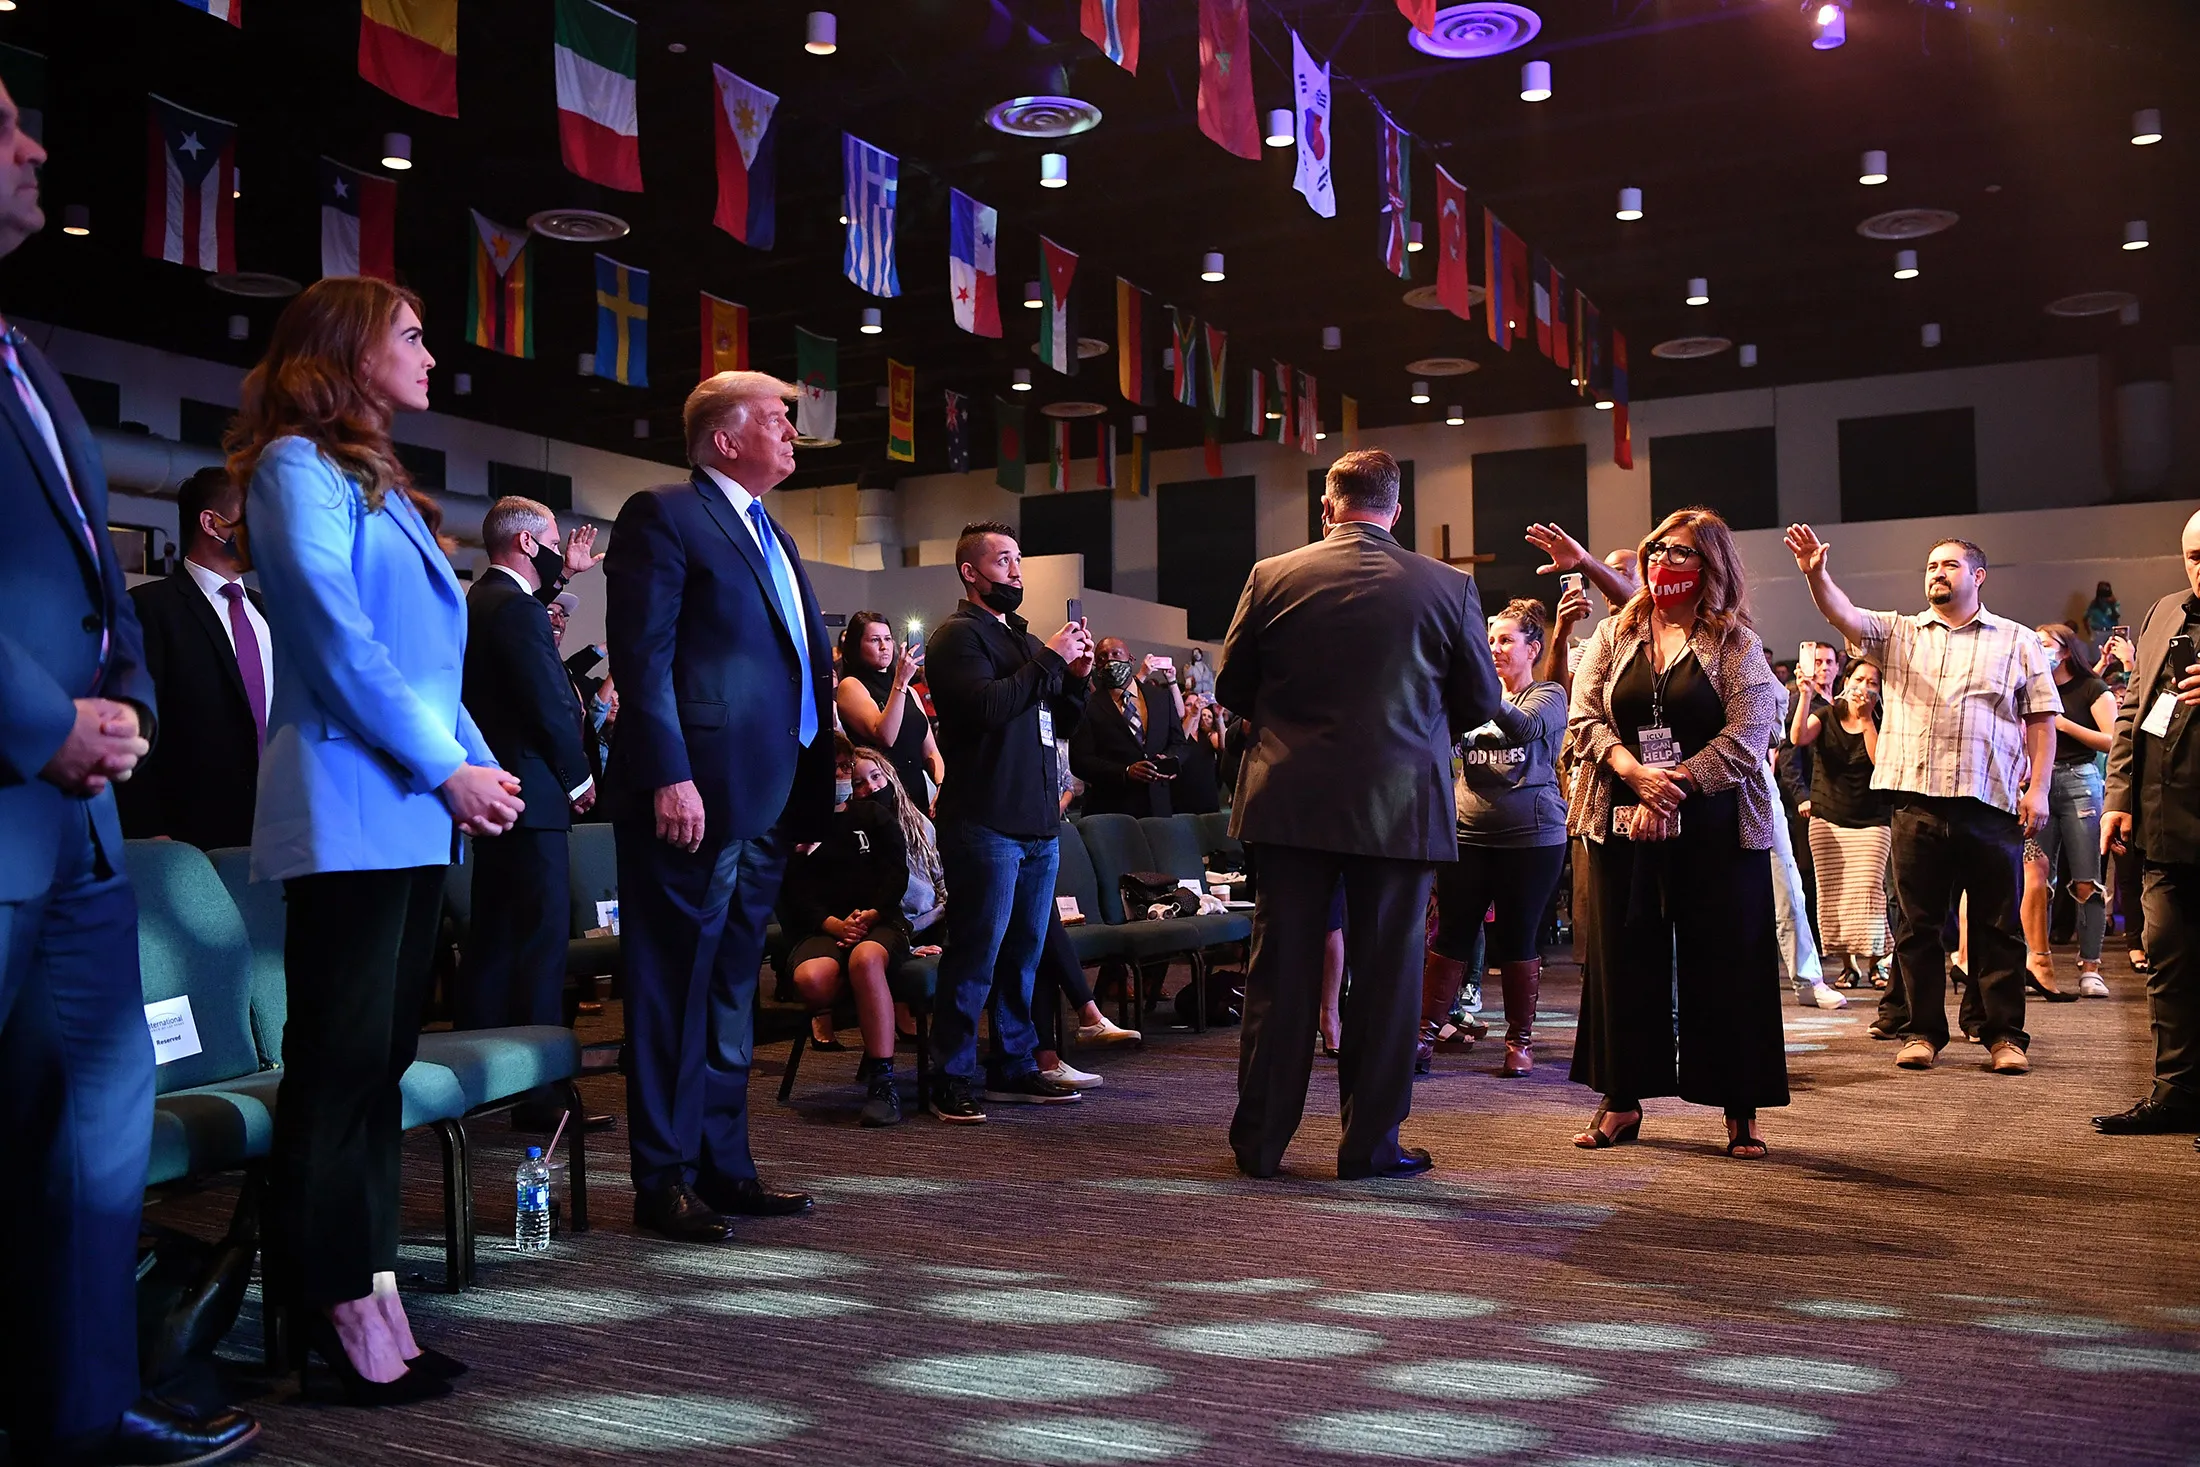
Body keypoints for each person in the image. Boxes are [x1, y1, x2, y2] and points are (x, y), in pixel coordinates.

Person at [0, 75, 259, 1463]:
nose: (40, 143)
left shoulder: (30, 357)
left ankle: (83, 1406)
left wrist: (127, 698)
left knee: (91, 1150)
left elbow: (110, 582)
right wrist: (42, 721)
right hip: (8, 800)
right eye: (5, 124)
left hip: (83, 841)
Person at [238, 276, 520, 1403]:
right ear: (348, 350)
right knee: (335, 1075)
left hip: (406, 810)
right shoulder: (292, 468)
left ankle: (373, 1290)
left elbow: (425, 661)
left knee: (378, 1073)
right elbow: (335, 632)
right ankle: (329, 1309)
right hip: (351, 806)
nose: (430, 354)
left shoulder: (381, 484)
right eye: (410, 334)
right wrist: (443, 762)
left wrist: (473, 756)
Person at [1219, 449, 1501, 1180]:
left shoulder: (1271, 575)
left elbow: (1231, 685)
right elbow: (1480, 704)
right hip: (1399, 806)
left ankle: (1260, 1144)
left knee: (1280, 975)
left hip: (1290, 803)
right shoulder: (1449, 586)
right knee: (1387, 977)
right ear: (1396, 511)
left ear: (1327, 504)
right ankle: (1370, 1146)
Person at [603, 370, 833, 1241]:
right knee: (672, 988)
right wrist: (668, 771)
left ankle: (723, 1165)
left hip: (768, 796)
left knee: (733, 989)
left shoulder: (771, 530)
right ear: (725, 438)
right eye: (777, 417)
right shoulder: (665, 513)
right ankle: (662, 1177)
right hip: (691, 793)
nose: (790, 430)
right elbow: (643, 654)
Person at [1785, 526, 2057, 1076]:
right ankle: (1923, 1032)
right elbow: (1845, 616)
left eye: (1950, 565)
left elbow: (2042, 720)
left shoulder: (2017, 639)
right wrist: (1816, 575)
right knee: (1918, 926)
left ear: (1977, 577)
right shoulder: (1901, 633)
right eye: (1932, 566)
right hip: (1916, 803)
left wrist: (2041, 787)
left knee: (1997, 927)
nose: (1937, 572)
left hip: (1991, 801)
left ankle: (2003, 1035)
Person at [1567, 508, 1787, 1159]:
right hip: (1623, 814)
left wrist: (1679, 783)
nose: (1666, 560)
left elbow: (1750, 732)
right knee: (1620, 957)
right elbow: (1583, 717)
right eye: (1659, 548)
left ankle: (1739, 1107)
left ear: (1711, 565)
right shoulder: (1616, 631)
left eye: (1683, 551)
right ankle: (1622, 1100)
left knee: (1728, 959)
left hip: (1717, 824)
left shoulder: (1737, 644)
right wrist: (1636, 773)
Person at [923, 522, 1094, 1121]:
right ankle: (950, 1076)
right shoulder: (956, 639)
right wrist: (1050, 657)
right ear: (971, 572)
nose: (1016, 571)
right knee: (976, 954)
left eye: (1019, 560)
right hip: (985, 820)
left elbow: (1061, 724)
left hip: (1037, 819)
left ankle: (1014, 1067)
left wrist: (1076, 679)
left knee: (1022, 955)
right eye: (1003, 561)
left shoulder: (1021, 641)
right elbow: (988, 709)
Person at [458, 496, 610, 1132]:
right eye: (550, 540)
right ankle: (543, 1097)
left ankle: (480, 1082)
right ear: (525, 543)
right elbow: (548, 700)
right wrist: (578, 778)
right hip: (536, 791)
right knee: (540, 946)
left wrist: (567, 575)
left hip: (501, 790)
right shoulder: (517, 609)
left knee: (495, 942)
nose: (558, 549)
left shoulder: (485, 599)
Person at [1419, 599, 1569, 1079]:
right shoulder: (1468, 701)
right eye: (1489, 641)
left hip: (1532, 839)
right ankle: (1424, 1034)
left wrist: (1481, 690)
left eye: (1506, 640)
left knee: (1517, 938)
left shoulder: (1548, 696)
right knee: (1453, 934)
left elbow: (1522, 728)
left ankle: (1519, 1041)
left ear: (1533, 648)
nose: (1494, 649)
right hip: (1468, 835)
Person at [2097, 510, 2200, 1141]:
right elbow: (2136, 709)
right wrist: (2118, 797)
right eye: (2194, 555)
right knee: (2168, 963)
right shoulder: (2167, 610)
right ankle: (2177, 1094)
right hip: (2164, 832)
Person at [117, 464, 271, 852]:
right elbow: (135, 721)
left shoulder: (270, 612)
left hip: (279, 826)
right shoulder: (149, 608)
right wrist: (146, 825)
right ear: (212, 523)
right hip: (190, 832)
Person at [778, 738, 918, 1127]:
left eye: (846, 768)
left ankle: (882, 1080)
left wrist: (869, 916)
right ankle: (871, 998)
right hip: (826, 926)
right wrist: (836, 925)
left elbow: (896, 875)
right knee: (812, 979)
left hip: (879, 922)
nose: (843, 776)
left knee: (866, 958)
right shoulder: (798, 830)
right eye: (836, 769)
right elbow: (795, 894)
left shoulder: (873, 816)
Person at [2024, 623, 2117, 998]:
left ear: (2064, 651)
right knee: (2036, 880)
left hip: (2081, 781)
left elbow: (2112, 739)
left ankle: (2091, 966)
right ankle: (2037, 960)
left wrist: (2064, 724)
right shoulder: (2031, 687)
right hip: (2038, 783)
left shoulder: (2092, 687)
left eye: (2045, 644)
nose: (2039, 650)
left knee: (2085, 879)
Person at [1792, 658, 1893, 987]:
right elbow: (1799, 738)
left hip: (1872, 819)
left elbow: (1881, 762)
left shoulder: (1881, 720)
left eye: (1872, 682)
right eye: (1859, 678)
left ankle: (1879, 962)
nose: (1864, 687)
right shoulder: (1826, 715)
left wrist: (1866, 720)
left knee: (1869, 892)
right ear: (1846, 681)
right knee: (1834, 895)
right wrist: (1805, 694)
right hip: (1828, 818)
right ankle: (1849, 965)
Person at [836, 611, 944, 809]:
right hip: (882, 794)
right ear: (857, 646)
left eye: (888, 639)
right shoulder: (851, 686)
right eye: (875, 640)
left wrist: (941, 785)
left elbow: (930, 751)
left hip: (916, 790)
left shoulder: (909, 691)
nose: (884, 646)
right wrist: (901, 682)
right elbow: (885, 736)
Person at [1070, 638, 1183, 819]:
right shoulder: (1087, 706)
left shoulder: (1161, 698)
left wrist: (1170, 759)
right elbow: (1080, 761)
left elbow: (1179, 743)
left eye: (1116, 654)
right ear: (1096, 667)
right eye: (1102, 657)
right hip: (1112, 813)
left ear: (1130, 659)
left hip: (1158, 808)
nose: (1109, 660)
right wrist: (1126, 771)